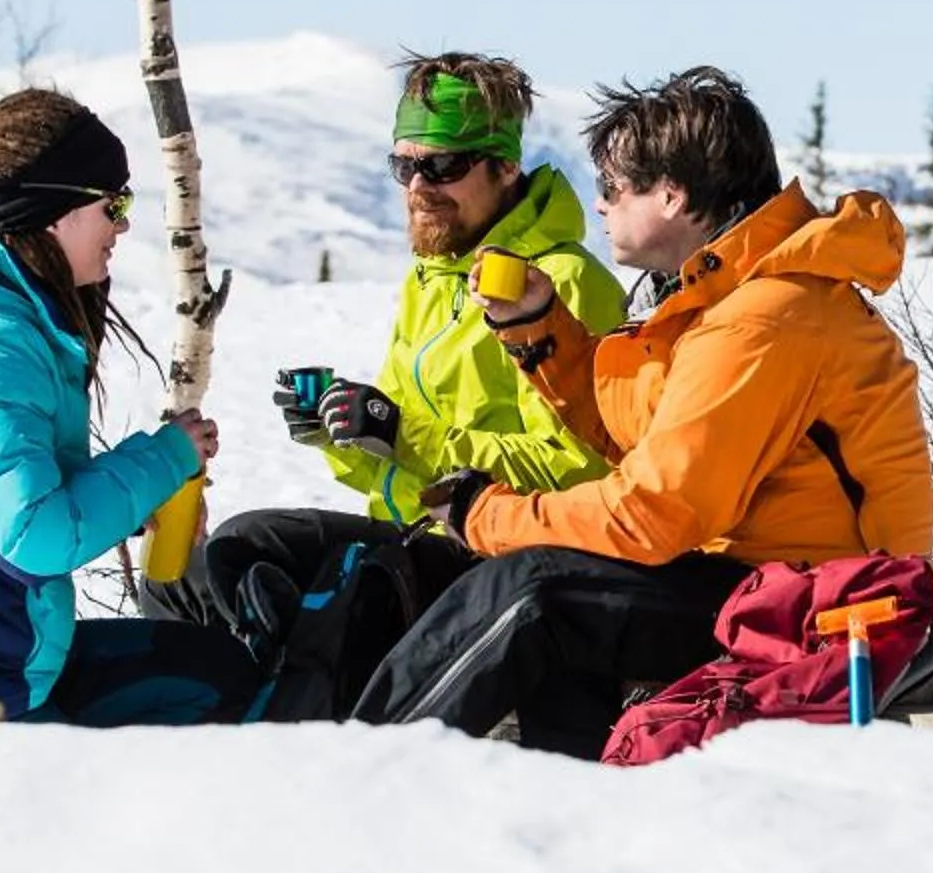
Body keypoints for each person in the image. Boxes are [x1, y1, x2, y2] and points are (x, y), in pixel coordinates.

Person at [354, 65, 933, 756]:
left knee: (533, 591)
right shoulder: (728, 297)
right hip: (771, 581)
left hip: (828, 606)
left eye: (612, 189)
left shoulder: (763, 319)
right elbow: (631, 434)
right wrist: (540, 328)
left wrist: (487, 514)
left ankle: (369, 773)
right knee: (554, 590)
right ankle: (566, 801)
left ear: (672, 195)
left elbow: (655, 515)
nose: (599, 207)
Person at [142, 52, 624, 660]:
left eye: (443, 165)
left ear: (505, 167)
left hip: (495, 555)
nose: (420, 186)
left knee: (247, 546)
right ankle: (187, 731)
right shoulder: (428, 282)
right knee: (181, 573)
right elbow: (398, 453)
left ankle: (283, 725)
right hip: (410, 540)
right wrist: (346, 432)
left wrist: (402, 432)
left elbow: (589, 471)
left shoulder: (561, 283)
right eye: (405, 166)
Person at [0, 89, 260, 725]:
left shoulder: (2, 319)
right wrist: (162, 459)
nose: (123, 225)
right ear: (52, 211)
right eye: (112, 204)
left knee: (215, 668)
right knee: (213, 692)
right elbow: (32, 536)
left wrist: (135, 504)